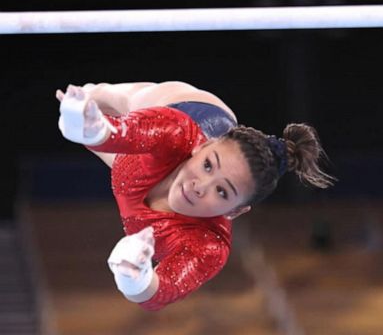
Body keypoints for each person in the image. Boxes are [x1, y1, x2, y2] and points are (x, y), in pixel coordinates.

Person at [56, 81, 335, 311]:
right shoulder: (174, 131)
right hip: (192, 107)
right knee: (109, 97)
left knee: (90, 137)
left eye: (222, 191)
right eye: (207, 165)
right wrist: (89, 115)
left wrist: (135, 278)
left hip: (135, 172)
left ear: (235, 211)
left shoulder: (208, 245)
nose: (200, 186)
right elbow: (115, 133)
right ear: (200, 148)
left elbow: (160, 291)